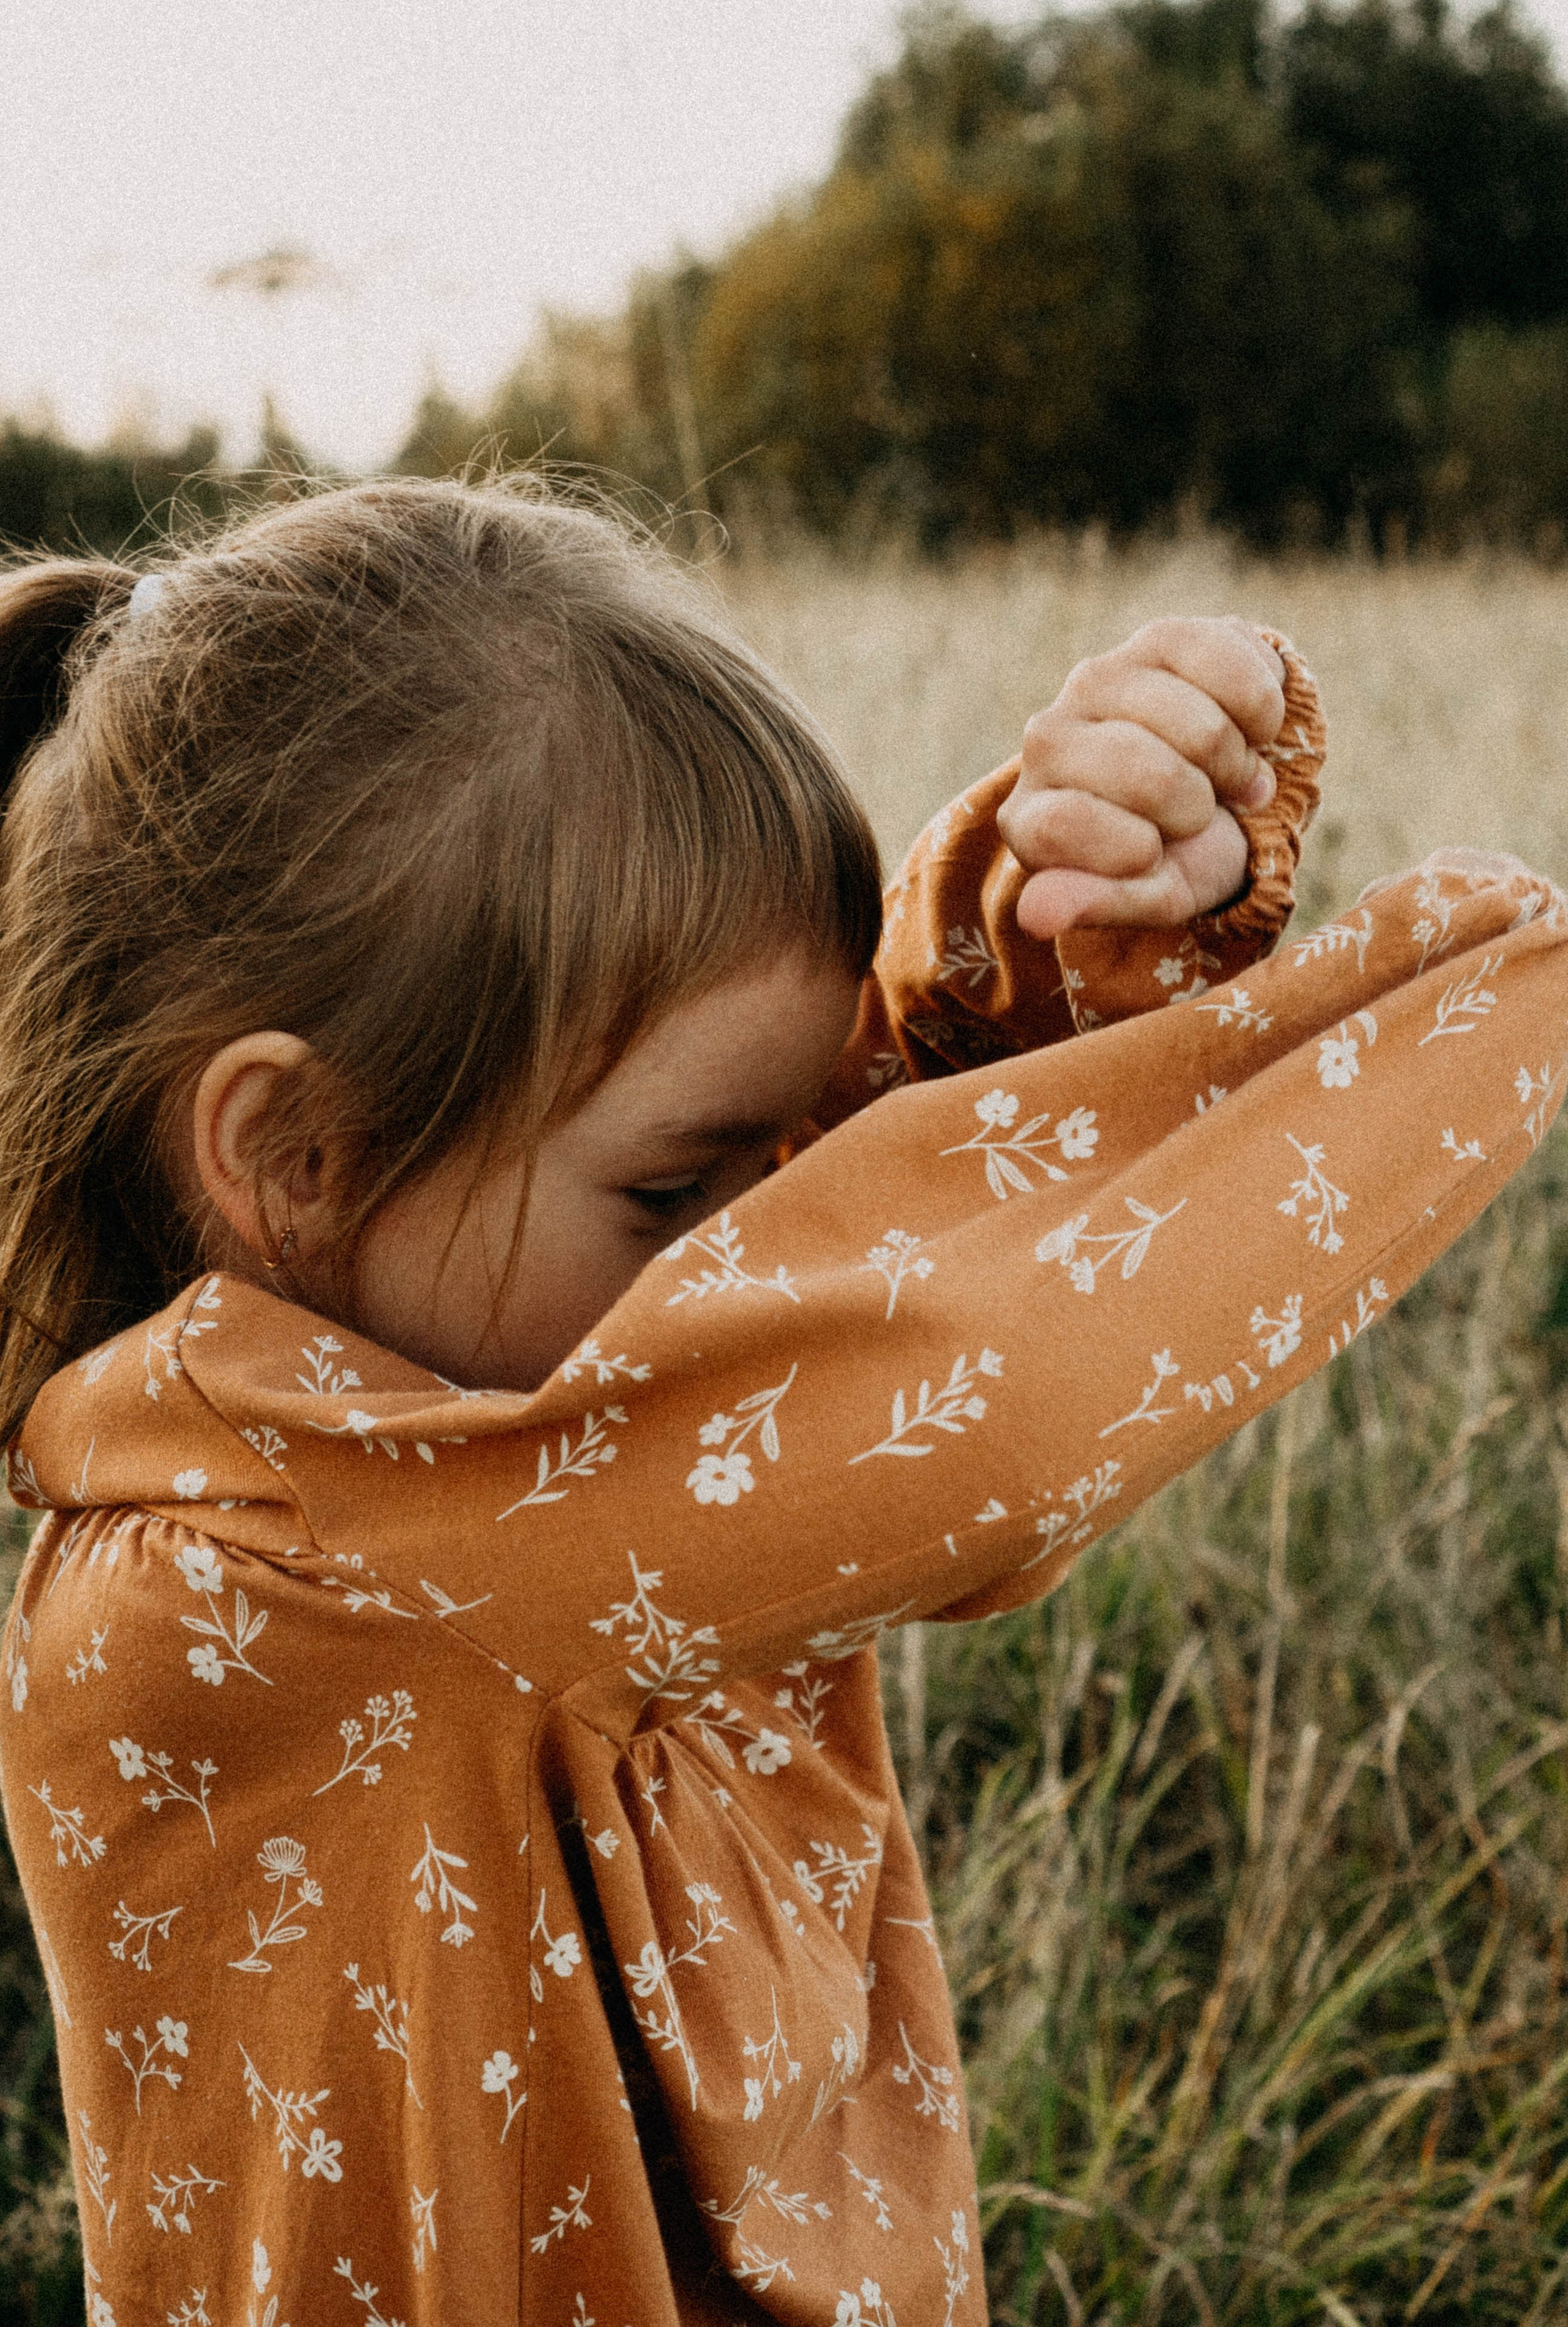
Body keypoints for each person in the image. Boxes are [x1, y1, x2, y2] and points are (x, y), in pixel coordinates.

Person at [0, 477, 1561, 2327]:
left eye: (789, 1149)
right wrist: (1509, 985)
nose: (765, 1238)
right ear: (299, 1153)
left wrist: (1047, 931)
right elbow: (994, 1412)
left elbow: (841, 1159)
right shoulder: (324, 1566)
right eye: (679, 1192)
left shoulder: (496, 1398)